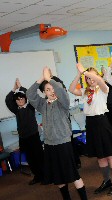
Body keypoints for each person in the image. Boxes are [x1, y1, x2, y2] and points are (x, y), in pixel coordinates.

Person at [26, 67, 87, 200]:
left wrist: (50, 79)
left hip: (63, 143)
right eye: (47, 89)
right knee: (58, 176)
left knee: (73, 174)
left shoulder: (62, 103)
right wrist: (42, 78)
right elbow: (30, 94)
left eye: (52, 88)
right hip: (49, 145)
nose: (51, 91)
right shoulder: (42, 104)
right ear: (44, 92)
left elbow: (60, 90)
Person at [69, 63, 112, 196]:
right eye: (88, 79)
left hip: (102, 121)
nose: (91, 80)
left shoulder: (103, 89)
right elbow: (71, 89)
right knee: (100, 156)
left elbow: (99, 80)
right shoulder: (85, 92)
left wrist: (86, 72)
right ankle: (107, 181)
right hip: (91, 123)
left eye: (93, 77)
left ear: (97, 76)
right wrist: (79, 74)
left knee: (110, 154)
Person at [5, 78, 44, 185]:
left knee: (39, 157)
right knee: (30, 159)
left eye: (22, 99)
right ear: (16, 101)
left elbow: (30, 94)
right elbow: (8, 100)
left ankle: (45, 175)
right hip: (23, 138)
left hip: (33, 136)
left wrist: (21, 87)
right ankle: (37, 176)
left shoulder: (30, 107)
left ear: (25, 99)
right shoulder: (16, 110)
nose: (20, 101)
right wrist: (14, 89)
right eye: (18, 99)